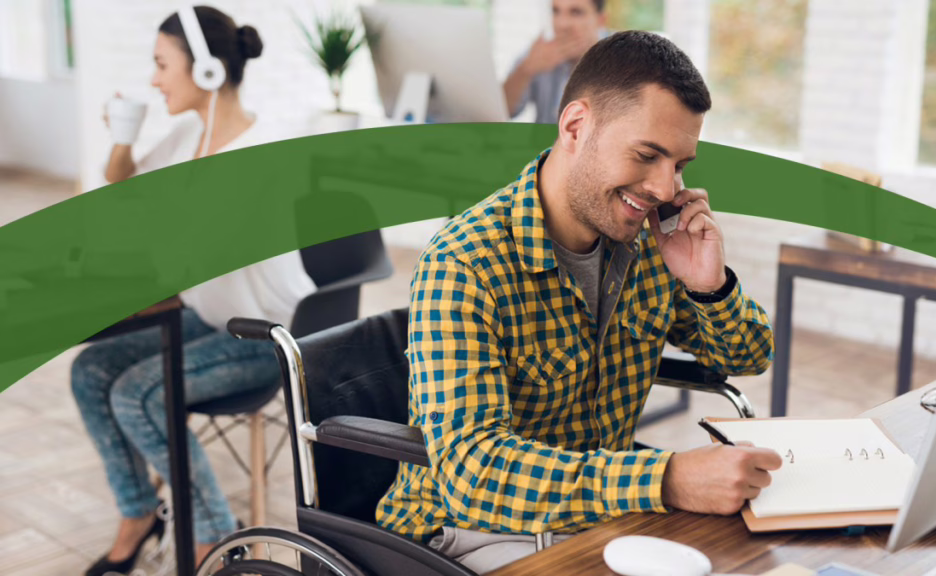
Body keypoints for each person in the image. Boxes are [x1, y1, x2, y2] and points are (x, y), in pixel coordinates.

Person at [377, 31, 782, 573]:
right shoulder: (466, 262)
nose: (665, 188)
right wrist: (668, 479)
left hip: (592, 516)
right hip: (468, 530)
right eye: (647, 155)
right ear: (575, 126)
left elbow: (748, 358)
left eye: (680, 163)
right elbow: (474, 474)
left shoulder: (647, 243)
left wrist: (708, 286)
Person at [72, 7, 315, 575]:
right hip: (210, 319)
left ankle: (215, 539)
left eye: (161, 65)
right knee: (90, 372)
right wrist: (122, 137)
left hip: (264, 334)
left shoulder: (264, 153)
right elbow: (123, 185)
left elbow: (182, 246)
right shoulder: (189, 134)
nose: (154, 79)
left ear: (206, 71)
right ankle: (139, 515)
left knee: (138, 395)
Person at [503, 0, 608, 124]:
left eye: (576, 12)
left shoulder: (621, 57)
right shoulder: (540, 51)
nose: (562, 24)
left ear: (600, 20)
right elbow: (506, 111)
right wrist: (525, 70)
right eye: (555, 11)